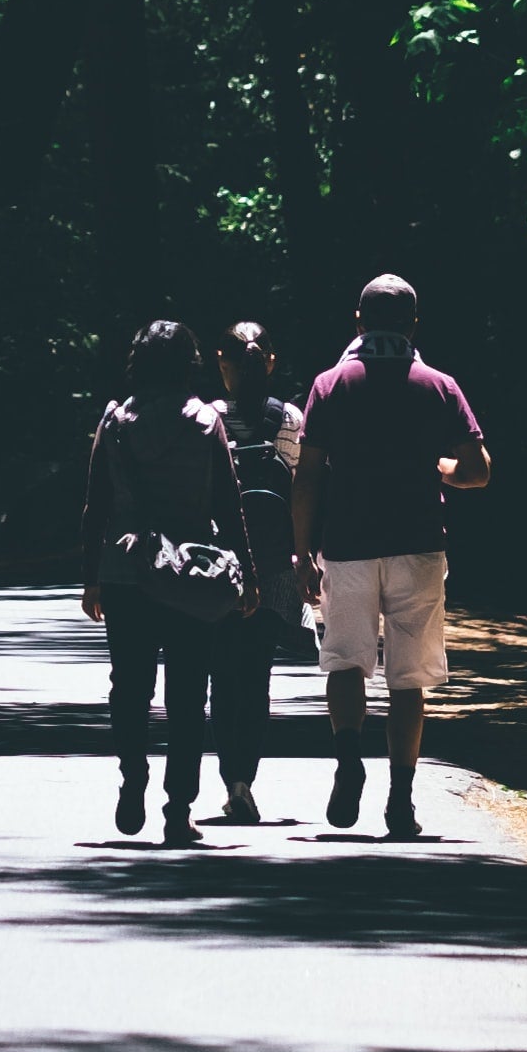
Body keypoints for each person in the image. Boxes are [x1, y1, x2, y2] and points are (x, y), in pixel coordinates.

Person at [289, 270, 490, 839]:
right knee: (408, 679)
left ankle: (348, 761)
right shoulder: (439, 385)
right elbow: (478, 471)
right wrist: (442, 467)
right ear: (414, 323)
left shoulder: (330, 385)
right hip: (418, 546)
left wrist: (303, 553)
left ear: (358, 321)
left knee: (346, 660)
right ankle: (400, 801)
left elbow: (306, 479)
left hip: (348, 546)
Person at [80, 319, 258, 847]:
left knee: (129, 688)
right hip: (191, 575)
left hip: (126, 571)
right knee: (188, 695)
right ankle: (178, 809)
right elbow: (229, 504)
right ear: (189, 362)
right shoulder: (207, 421)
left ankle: (133, 776)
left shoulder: (115, 419)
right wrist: (245, 574)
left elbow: (96, 507)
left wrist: (91, 578)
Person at [207, 317, 306, 821]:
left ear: (220, 361)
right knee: (257, 675)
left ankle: (232, 780)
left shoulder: (207, 417)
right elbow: (301, 491)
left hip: (219, 568)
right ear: (271, 360)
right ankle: (247, 776)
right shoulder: (291, 418)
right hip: (274, 565)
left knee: (221, 677)